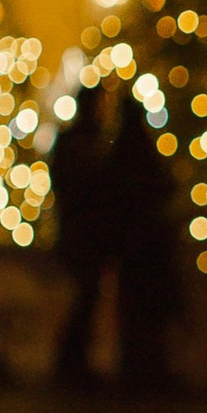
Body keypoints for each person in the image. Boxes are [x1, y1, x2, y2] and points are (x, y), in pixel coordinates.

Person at [103, 87, 181, 392]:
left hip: (136, 247)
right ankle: (147, 368)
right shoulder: (141, 152)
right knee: (147, 314)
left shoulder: (122, 153)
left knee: (137, 313)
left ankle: (139, 367)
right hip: (145, 247)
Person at [45, 79, 120, 388]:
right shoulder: (81, 143)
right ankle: (70, 361)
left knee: (87, 298)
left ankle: (73, 360)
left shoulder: (86, 141)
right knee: (83, 297)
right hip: (82, 231)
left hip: (87, 231)